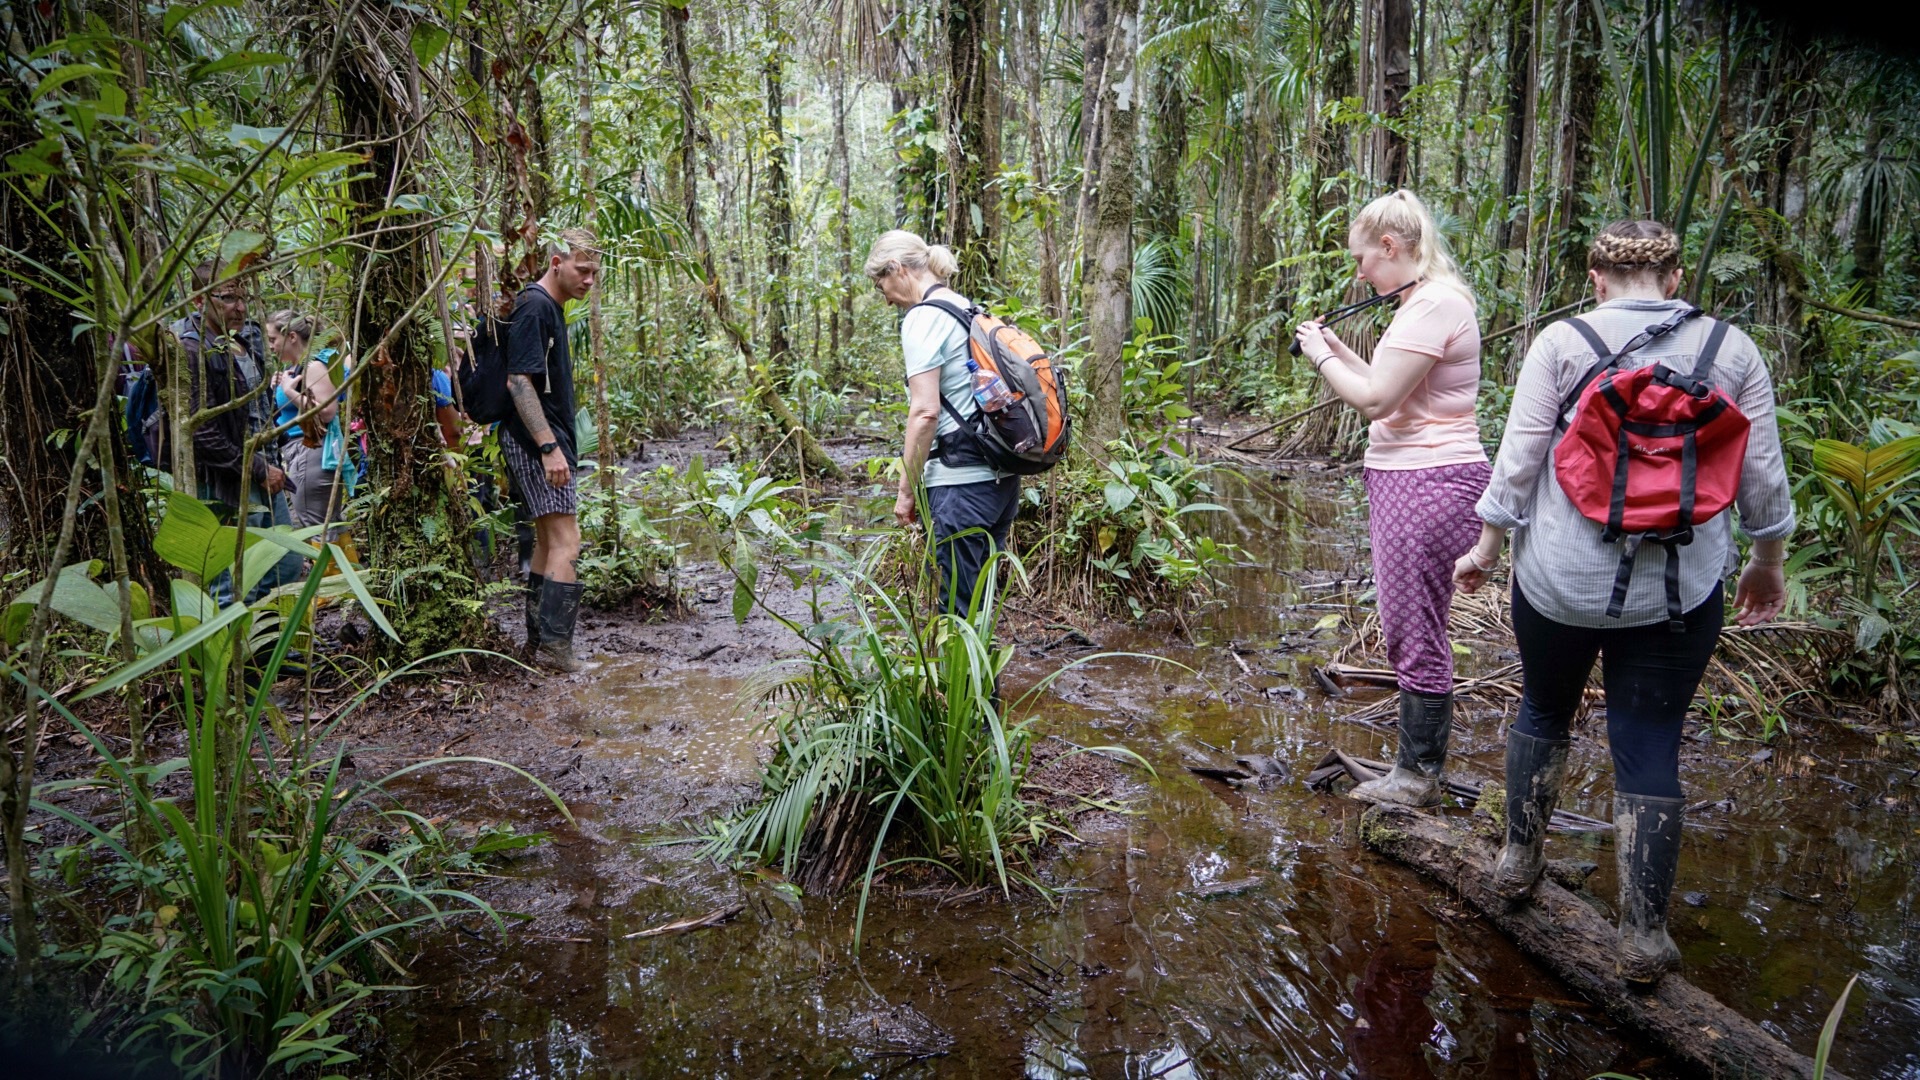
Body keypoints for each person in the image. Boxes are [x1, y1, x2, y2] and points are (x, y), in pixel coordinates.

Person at [1454, 220, 1792, 984]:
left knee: (1543, 709)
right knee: (1651, 738)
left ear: (1595, 277)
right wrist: (1767, 564)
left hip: (1558, 584)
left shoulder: (1561, 342)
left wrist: (1484, 551)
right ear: (1674, 279)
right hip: (1678, 591)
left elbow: (1519, 460)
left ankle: (1517, 861)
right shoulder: (1730, 349)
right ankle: (1641, 936)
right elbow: (1763, 477)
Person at [1293, 189, 1490, 808]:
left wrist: (1321, 354)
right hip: (1415, 477)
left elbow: (1376, 403)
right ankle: (1416, 767)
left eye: (1363, 259)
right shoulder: (1422, 304)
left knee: (1412, 628)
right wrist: (1335, 349)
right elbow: (1388, 386)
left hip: (1428, 480)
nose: (1360, 274)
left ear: (1390, 246)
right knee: (1413, 624)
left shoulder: (1433, 303)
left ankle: (1418, 775)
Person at [866, 230, 1018, 617]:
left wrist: (906, 491)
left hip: (959, 487)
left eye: (879, 282)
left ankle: (962, 681)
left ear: (897, 269)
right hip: (998, 482)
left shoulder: (923, 318)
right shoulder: (966, 307)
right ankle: (982, 680)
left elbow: (925, 412)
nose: (883, 297)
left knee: (958, 613)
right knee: (978, 608)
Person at [502, 227, 601, 672]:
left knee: (547, 539)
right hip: (538, 441)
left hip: (543, 439)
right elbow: (519, 381)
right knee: (568, 540)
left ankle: (541, 644)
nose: (589, 281)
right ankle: (557, 652)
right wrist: (548, 446)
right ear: (556, 263)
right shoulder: (535, 306)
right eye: (582, 270)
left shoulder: (549, 308)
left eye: (595, 272)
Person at [176, 259, 302, 603]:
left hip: (265, 473)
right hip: (226, 482)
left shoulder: (246, 342)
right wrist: (258, 470)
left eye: (243, 296)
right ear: (200, 301)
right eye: (229, 298)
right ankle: (237, 654)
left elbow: (258, 411)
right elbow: (201, 431)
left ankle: (271, 650)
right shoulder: (191, 349)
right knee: (233, 580)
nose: (241, 307)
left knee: (285, 565)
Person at [266, 310, 341, 532]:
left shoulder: (313, 366)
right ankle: (346, 567)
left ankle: (329, 568)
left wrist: (289, 392)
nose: (271, 346)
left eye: (273, 339)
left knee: (316, 527)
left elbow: (327, 411)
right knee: (329, 525)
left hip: (310, 453)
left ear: (291, 337)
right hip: (304, 454)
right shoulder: (297, 368)